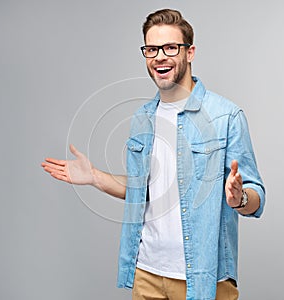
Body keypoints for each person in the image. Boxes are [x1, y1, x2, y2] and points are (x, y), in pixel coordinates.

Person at [41, 8, 265, 300]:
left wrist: (240, 199)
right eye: (151, 49)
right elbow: (143, 190)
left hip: (203, 279)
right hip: (146, 274)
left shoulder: (226, 116)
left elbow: (256, 197)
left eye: (170, 47)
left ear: (190, 52)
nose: (159, 56)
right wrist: (94, 176)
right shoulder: (142, 118)